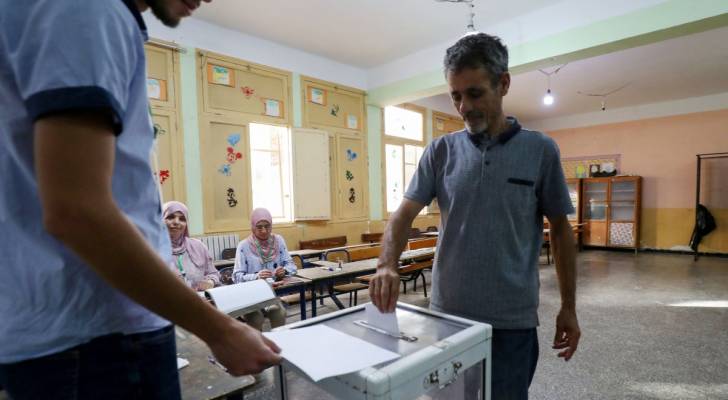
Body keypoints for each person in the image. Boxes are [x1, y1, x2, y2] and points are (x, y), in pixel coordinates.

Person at [0, 1, 280, 398]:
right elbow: (77, 212)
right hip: (97, 338)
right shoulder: (90, 10)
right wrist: (219, 329)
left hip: (80, 333)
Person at [369, 33, 581, 400]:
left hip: (511, 323)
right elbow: (404, 213)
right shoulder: (440, 151)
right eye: (455, 96)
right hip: (447, 317)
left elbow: (561, 231)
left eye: (475, 93)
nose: (464, 106)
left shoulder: (540, 150)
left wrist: (568, 307)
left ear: (503, 84)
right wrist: (386, 263)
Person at [233, 208, 297, 331]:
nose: (264, 231)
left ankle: (278, 344)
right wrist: (256, 276)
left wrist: (285, 270)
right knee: (256, 318)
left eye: (267, 226)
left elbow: (291, 265)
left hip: (270, 294)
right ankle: (257, 347)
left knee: (279, 313)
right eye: (259, 227)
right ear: (252, 227)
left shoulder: (278, 241)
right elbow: (237, 276)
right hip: (249, 295)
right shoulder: (243, 246)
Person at [163, 201, 221, 291]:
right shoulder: (153, 249)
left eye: (182, 219)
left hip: (198, 300)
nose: (176, 222)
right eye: (170, 217)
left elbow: (214, 273)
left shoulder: (198, 246)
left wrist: (210, 282)